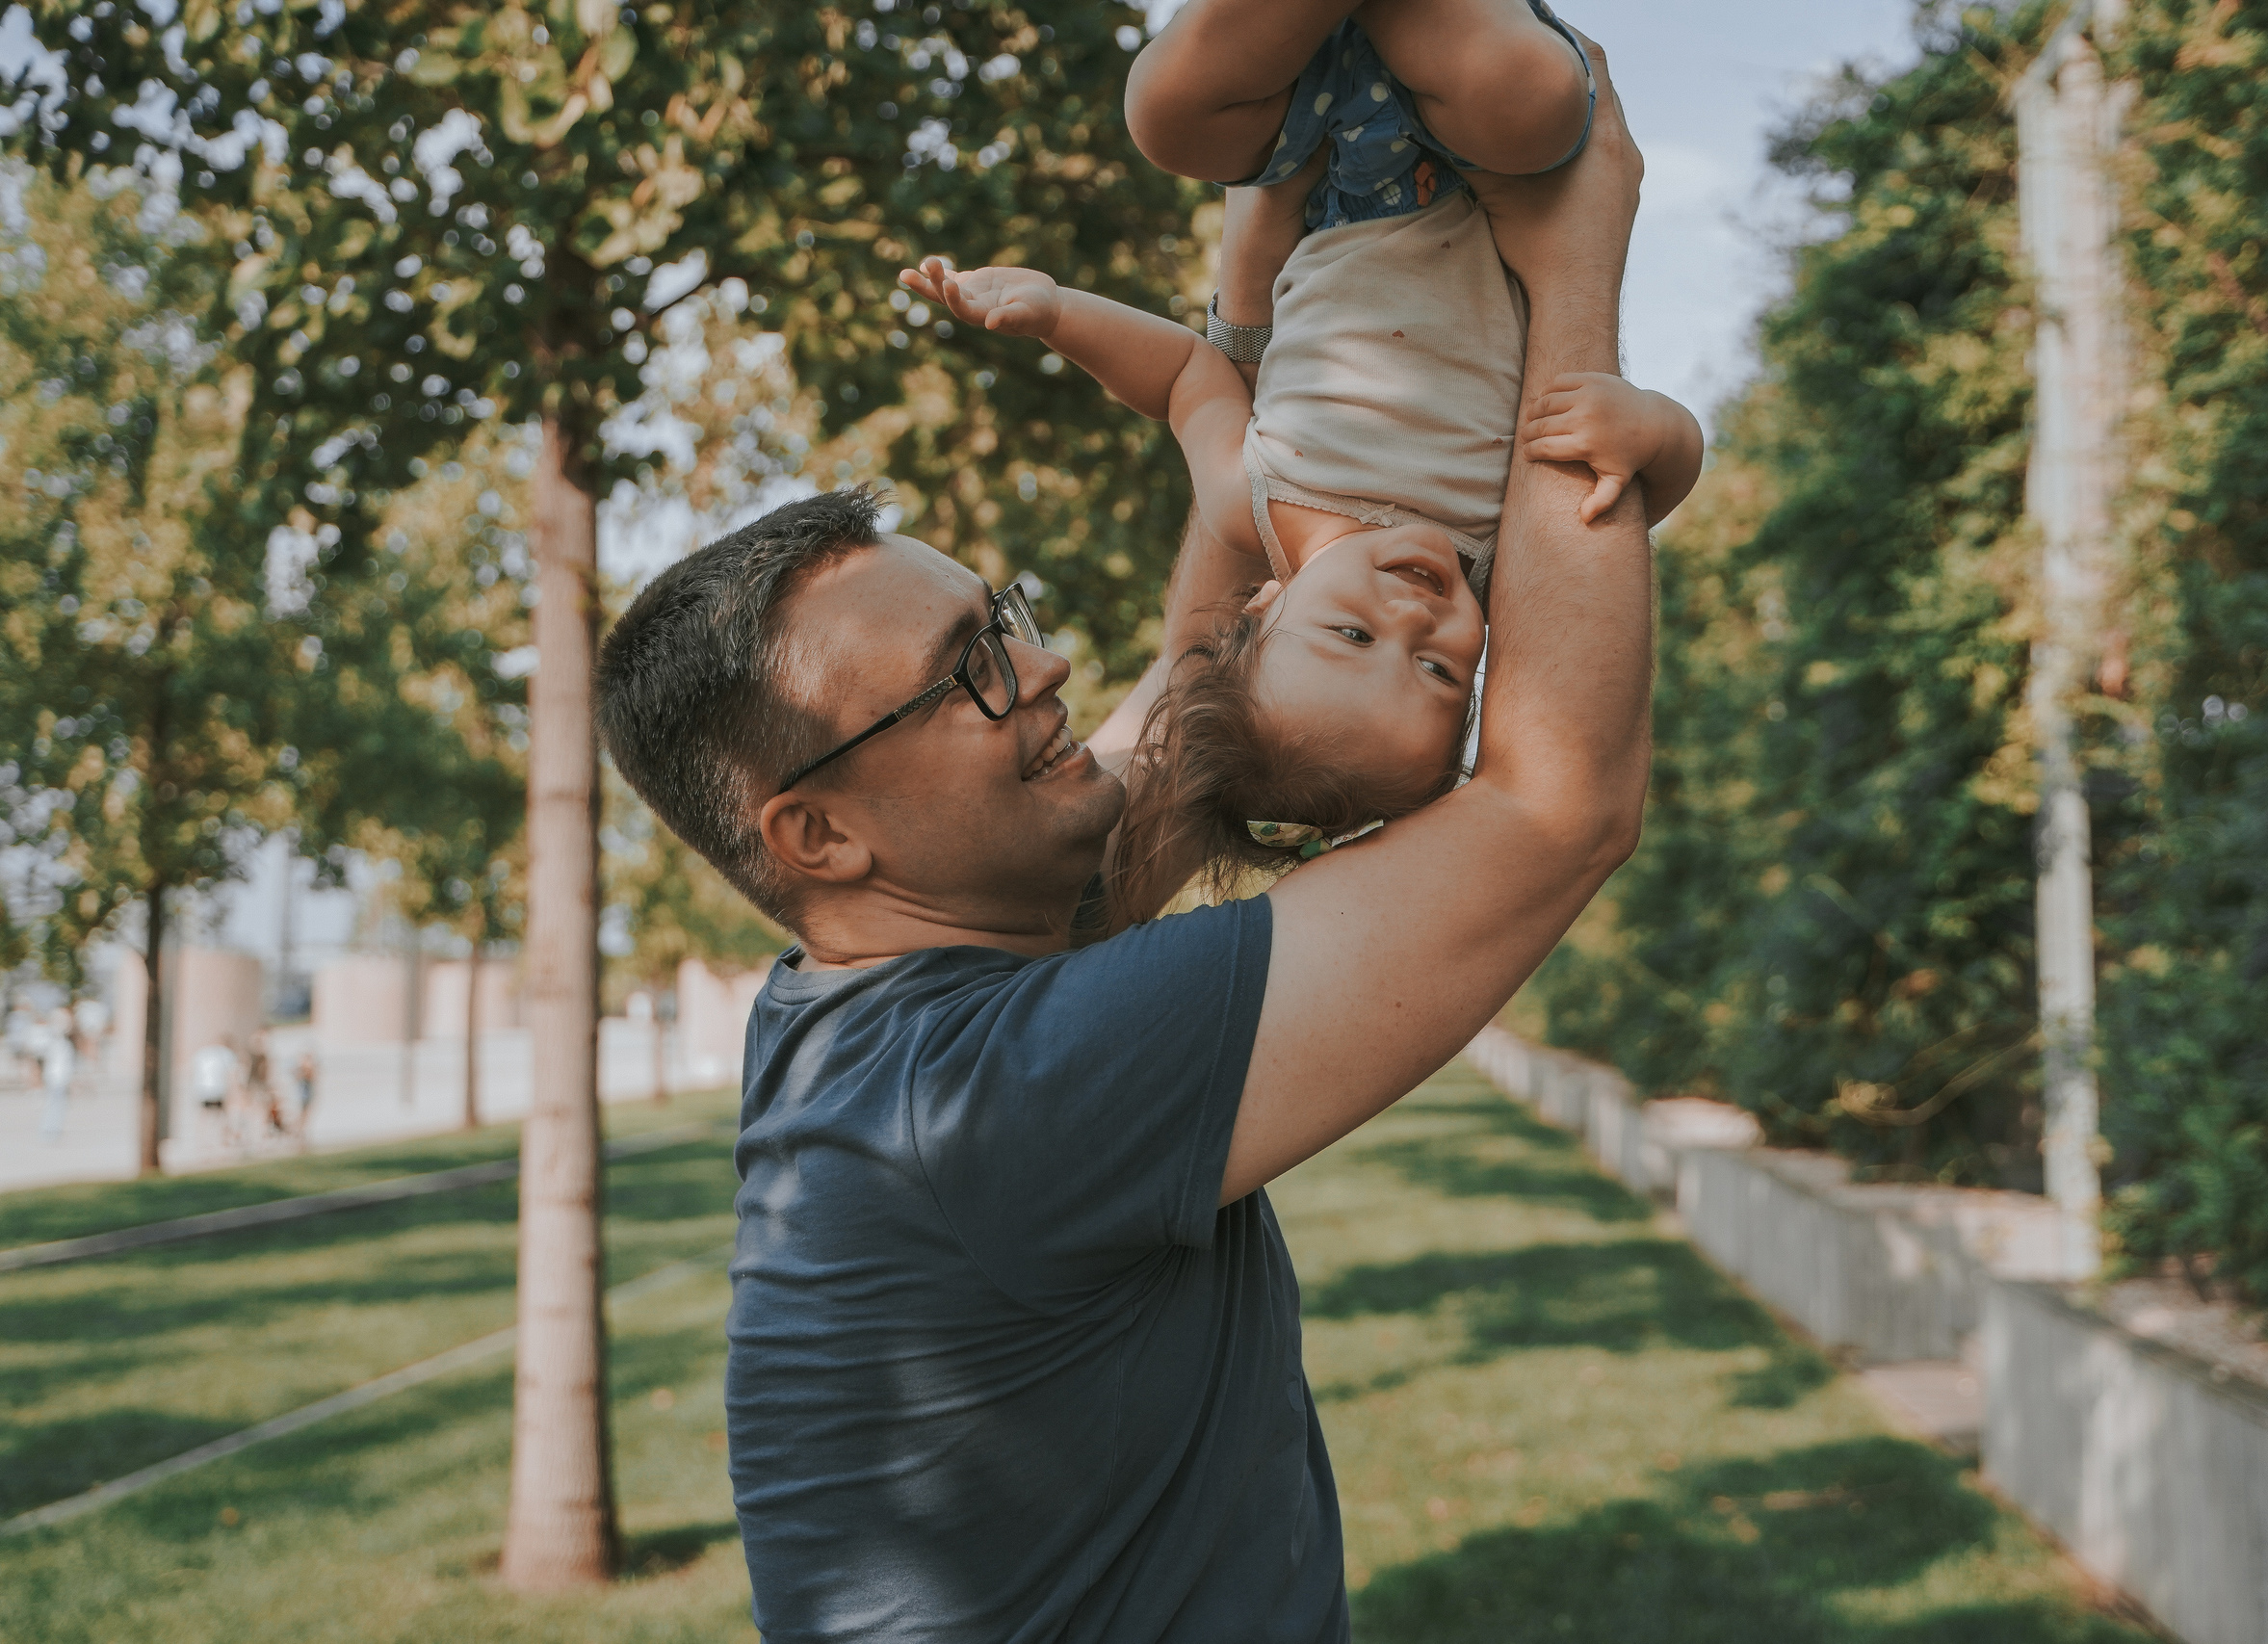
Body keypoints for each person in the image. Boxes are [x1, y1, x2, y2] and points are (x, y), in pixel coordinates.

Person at [593, 37, 1650, 1642]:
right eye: (969, 673)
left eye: (997, 618)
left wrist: (1259, 312)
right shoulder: (1008, 1093)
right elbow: (1555, 802)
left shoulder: (877, 1014)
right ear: (817, 833)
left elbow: (1207, 673)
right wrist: (1576, 266)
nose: (1048, 668)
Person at [898, 2, 1701, 924]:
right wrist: (1651, 433)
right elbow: (1628, 496)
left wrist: (1057, 315)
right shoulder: (1501, 562)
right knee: (1539, 98)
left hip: (1325, 181)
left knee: (1162, 112)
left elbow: (1186, 377)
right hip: (1483, 171)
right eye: (1442, 674)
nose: (1416, 620)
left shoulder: (1254, 504)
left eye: (1354, 637)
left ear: (1261, 607)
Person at [37, 1007, 74, 1145]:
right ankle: (49, 1129)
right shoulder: (54, 1038)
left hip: (59, 1077)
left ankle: (53, 1128)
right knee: (53, 1104)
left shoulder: (62, 1040)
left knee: (58, 1104)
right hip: (56, 1076)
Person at [192, 1035, 239, 1146]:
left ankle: (201, 1139)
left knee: (204, 1114)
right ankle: (225, 1137)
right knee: (224, 1113)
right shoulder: (226, 1054)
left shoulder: (202, 1053)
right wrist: (234, 1091)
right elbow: (231, 1074)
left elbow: (195, 1072)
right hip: (219, 1088)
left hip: (202, 1089)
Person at [292, 1048, 319, 1146]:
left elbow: (313, 1078)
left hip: (307, 1094)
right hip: (303, 1094)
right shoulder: (302, 1069)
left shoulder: (309, 1069)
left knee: (305, 1115)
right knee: (302, 1115)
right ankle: (298, 1133)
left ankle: (300, 1133)